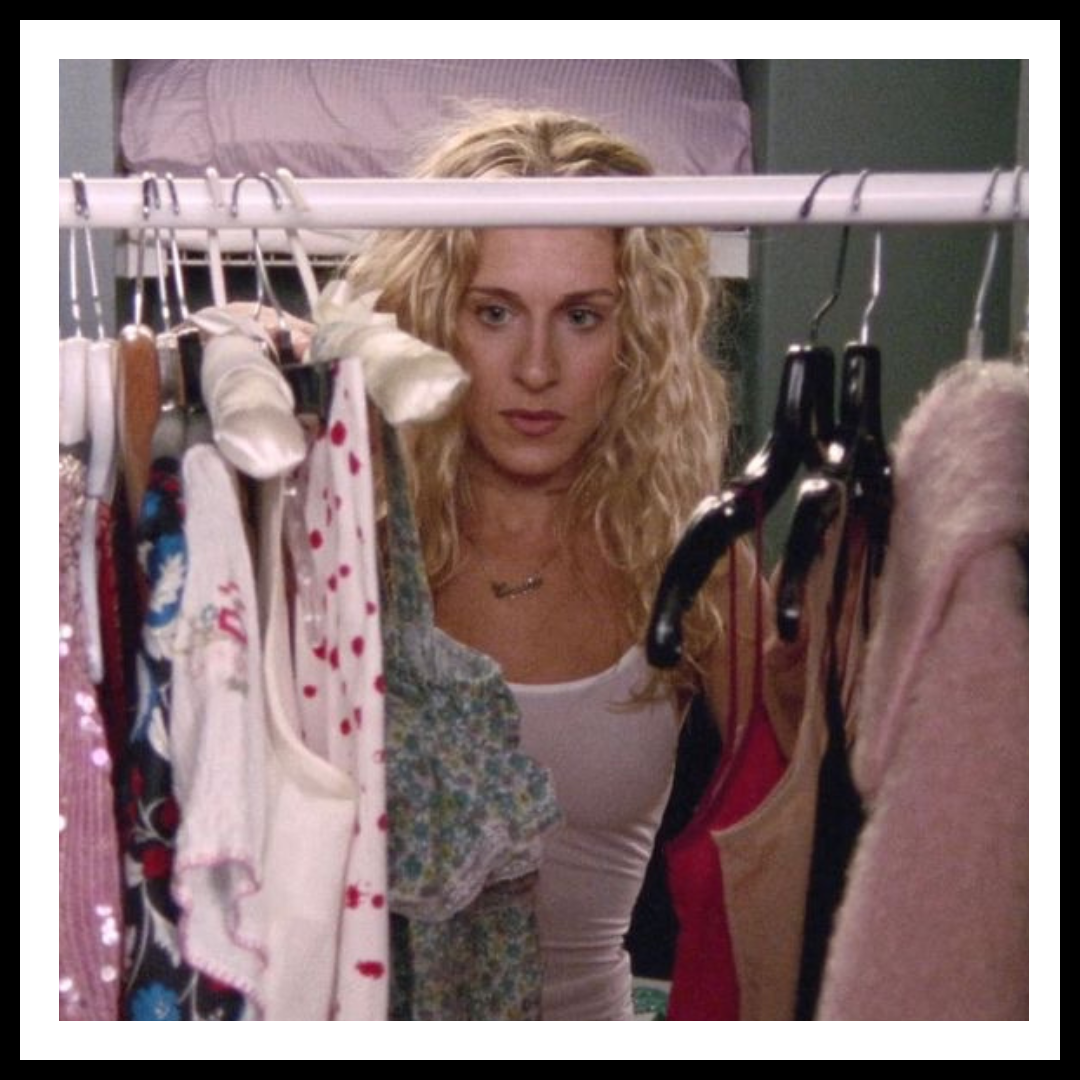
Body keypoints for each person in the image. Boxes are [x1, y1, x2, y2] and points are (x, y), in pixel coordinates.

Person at [346, 106, 765, 1020]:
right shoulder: (351, 538)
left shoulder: (696, 560)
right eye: (495, 312)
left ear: (636, 338)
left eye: (581, 316)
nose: (536, 367)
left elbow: (793, 867)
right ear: (432, 319)